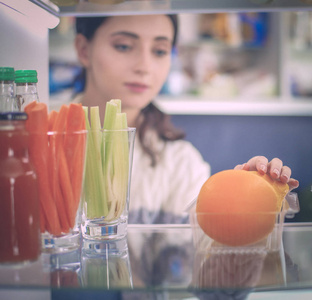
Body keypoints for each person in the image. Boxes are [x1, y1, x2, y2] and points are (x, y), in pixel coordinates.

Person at [73, 15, 299, 224]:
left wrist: (248, 204)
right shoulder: (42, 140)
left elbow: (206, 253)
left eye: (160, 51)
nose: (144, 66)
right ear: (84, 50)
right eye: (123, 46)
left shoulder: (182, 163)